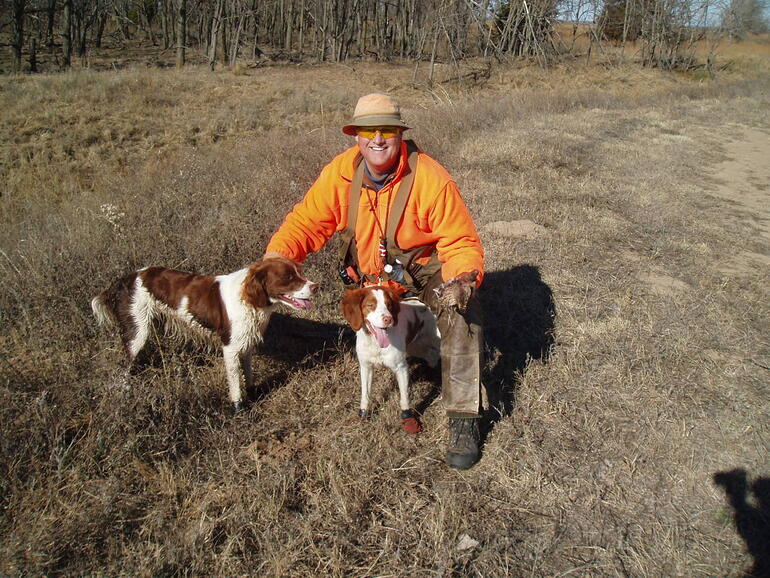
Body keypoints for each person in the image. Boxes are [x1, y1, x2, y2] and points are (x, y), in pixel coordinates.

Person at [264, 93, 485, 469]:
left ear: (400, 134)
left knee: (463, 318)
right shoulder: (341, 173)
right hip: (373, 284)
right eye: (368, 130)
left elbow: (460, 241)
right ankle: (407, 345)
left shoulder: (431, 179)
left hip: (423, 279)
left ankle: (464, 418)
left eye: (387, 130)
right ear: (355, 136)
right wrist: (277, 259)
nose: (377, 139)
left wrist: (462, 279)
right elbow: (307, 221)